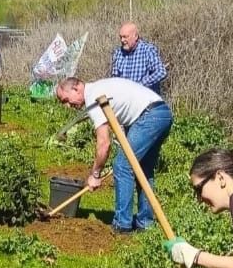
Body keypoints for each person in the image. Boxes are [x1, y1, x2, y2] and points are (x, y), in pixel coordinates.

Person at [55, 76, 172, 233]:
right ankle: (145, 224)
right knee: (143, 170)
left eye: (66, 100)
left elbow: (104, 144)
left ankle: (122, 225)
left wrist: (95, 174)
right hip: (162, 113)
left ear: (76, 88)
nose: (68, 106)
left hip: (149, 116)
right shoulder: (98, 88)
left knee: (122, 166)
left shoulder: (94, 99)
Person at [110, 22, 166, 95]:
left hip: (145, 99)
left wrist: (140, 85)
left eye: (125, 37)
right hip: (125, 99)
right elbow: (115, 78)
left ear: (135, 36)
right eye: (120, 37)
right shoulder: (118, 53)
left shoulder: (148, 50)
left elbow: (161, 72)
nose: (122, 40)